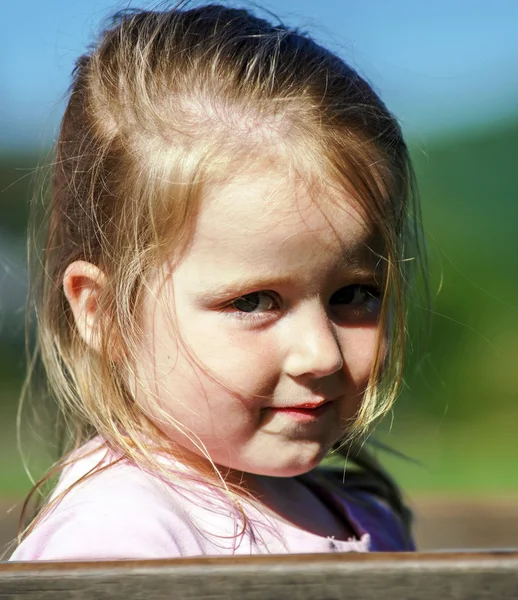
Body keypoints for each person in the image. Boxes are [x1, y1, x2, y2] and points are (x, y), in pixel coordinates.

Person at [10, 3, 426, 560]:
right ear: (105, 313)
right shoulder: (122, 537)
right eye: (254, 301)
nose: (320, 354)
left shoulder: (362, 515)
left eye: (353, 295)